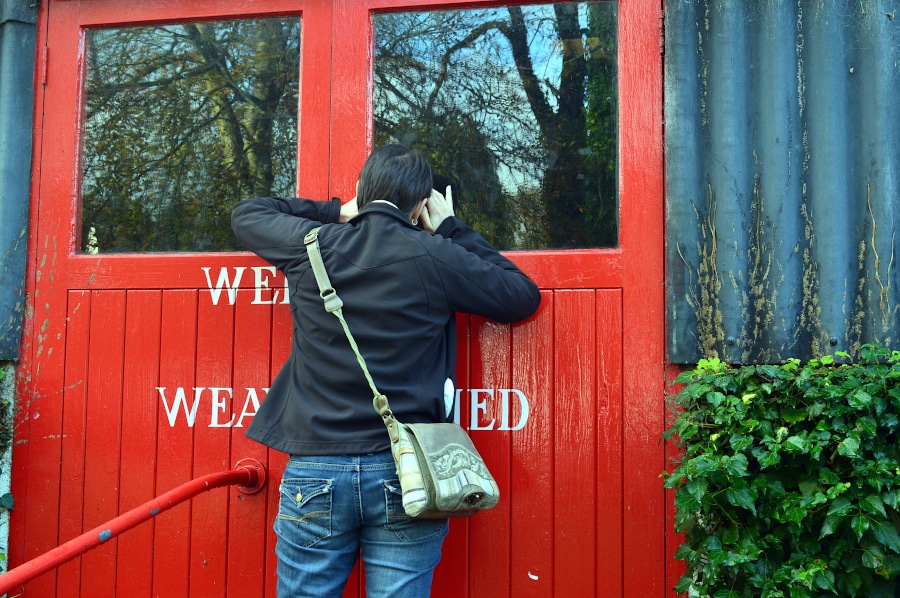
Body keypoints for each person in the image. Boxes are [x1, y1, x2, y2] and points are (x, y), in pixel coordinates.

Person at [230, 144, 541, 598]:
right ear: (420, 207)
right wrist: (452, 228)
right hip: (407, 470)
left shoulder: (312, 245)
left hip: (315, 469)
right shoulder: (436, 252)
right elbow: (520, 297)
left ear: (360, 190)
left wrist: (338, 211)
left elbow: (248, 214)